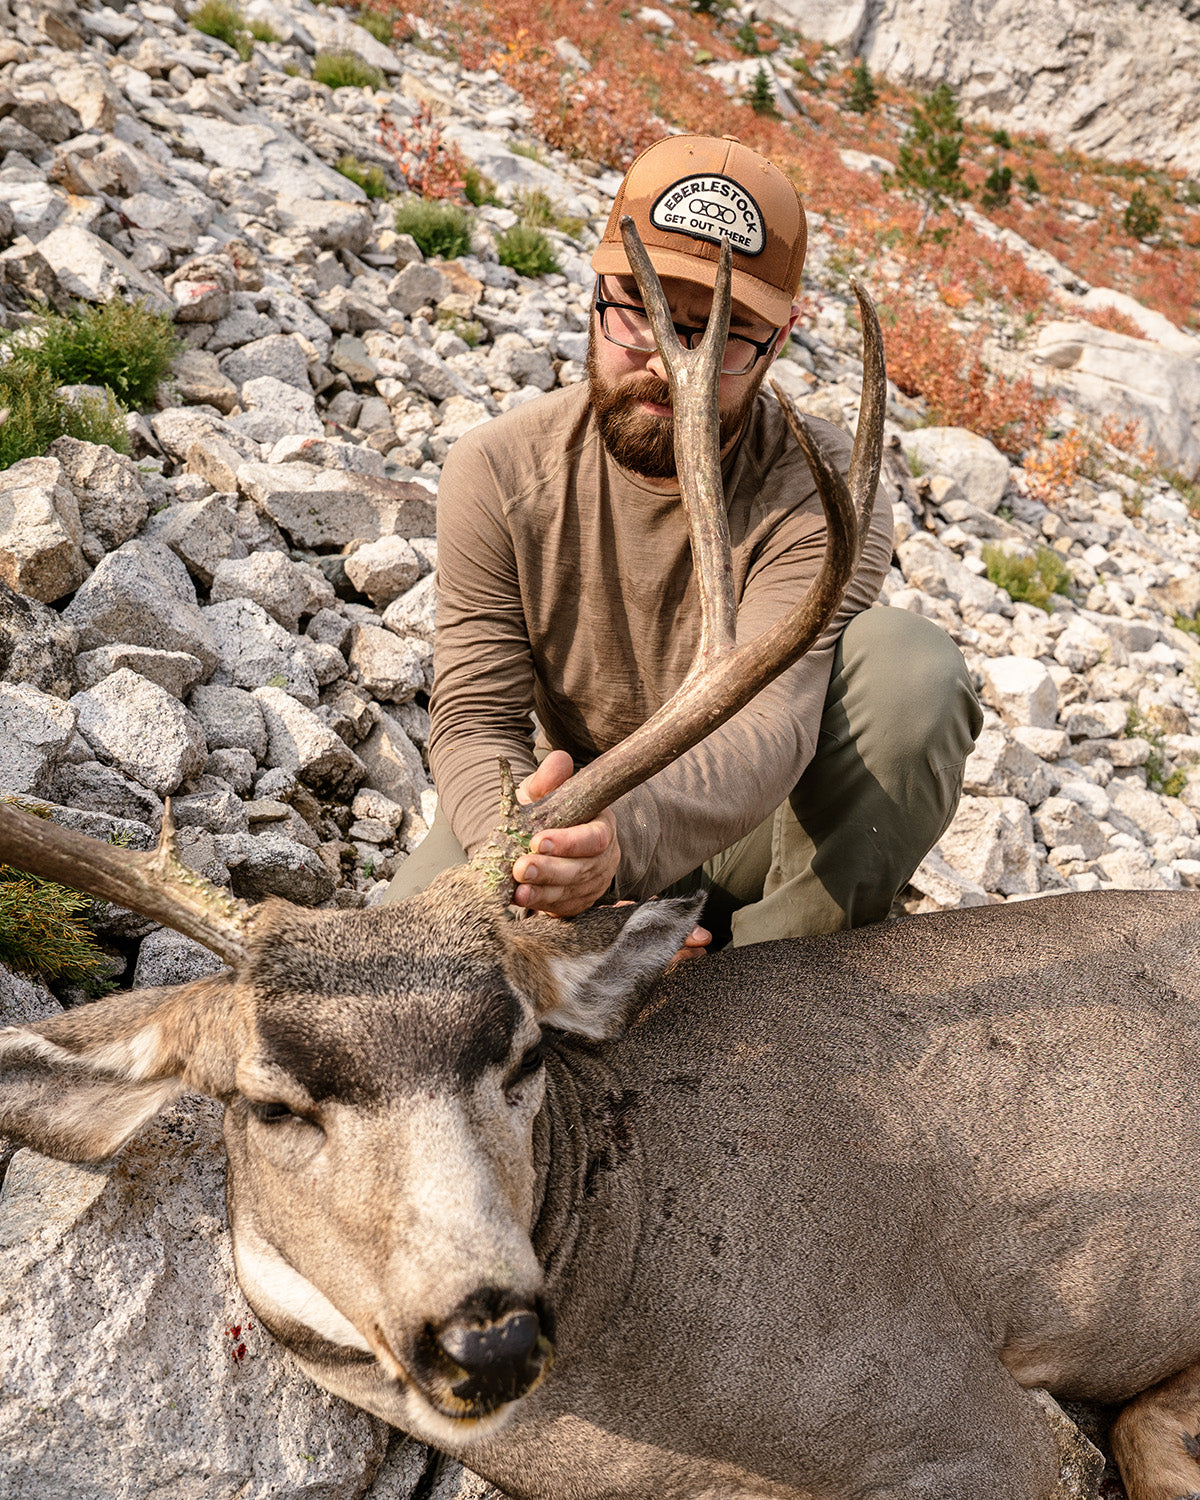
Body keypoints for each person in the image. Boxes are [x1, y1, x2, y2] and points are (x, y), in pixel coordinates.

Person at [384, 133, 982, 949]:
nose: (673, 367)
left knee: (911, 671)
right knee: (385, 962)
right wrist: (539, 857)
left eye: (724, 333)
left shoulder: (826, 493)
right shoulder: (497, 471)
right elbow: (475, 719)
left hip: (751, 829)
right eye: (643, 311)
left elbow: (770, 722)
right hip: (563, 814)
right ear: (595, 292)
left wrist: (623, 845)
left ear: (781, 339)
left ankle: (773, 981)